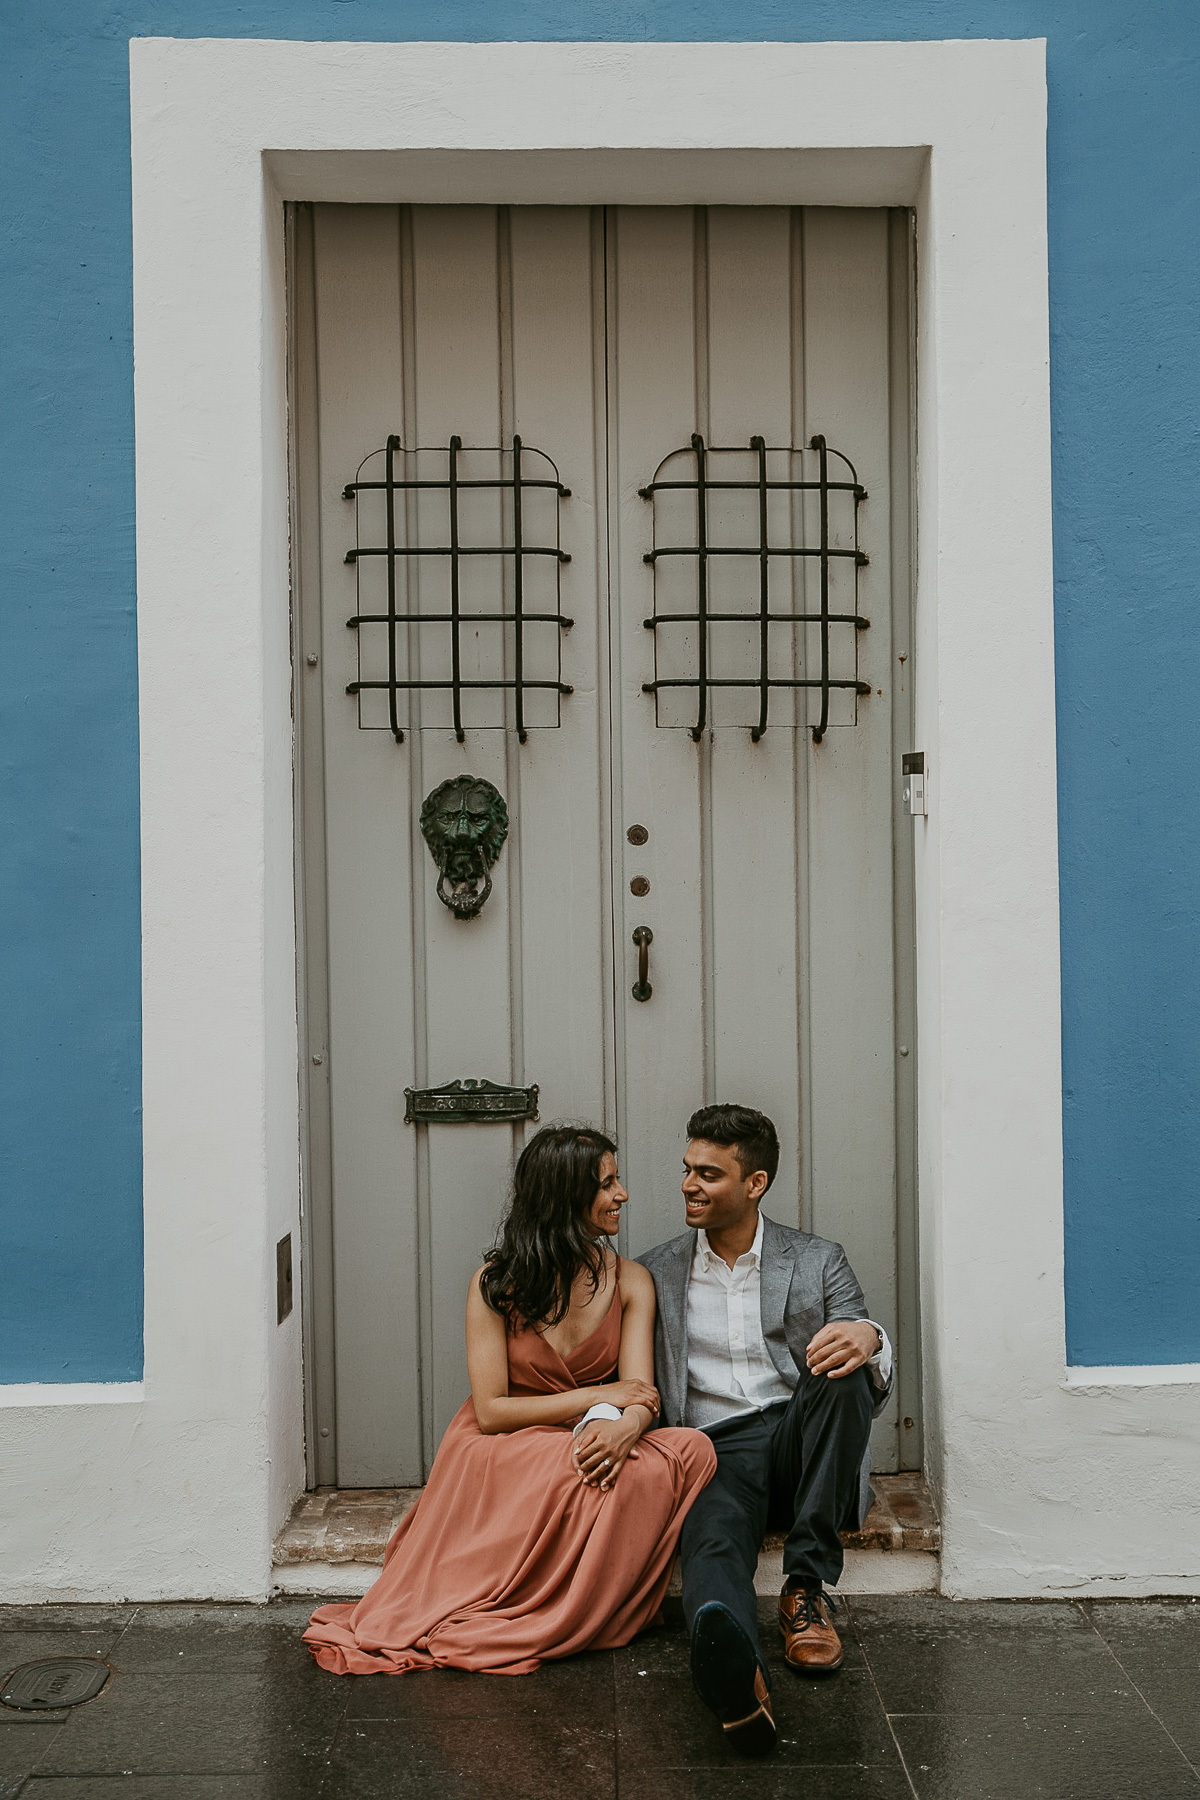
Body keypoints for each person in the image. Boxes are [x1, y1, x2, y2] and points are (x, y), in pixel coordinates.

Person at [304, 1124, 716, 1677]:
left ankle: (574, 1606)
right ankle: (543, 1614)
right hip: (503, 1444)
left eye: (617, 1181)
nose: (623, 1195)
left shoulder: (631, 1280)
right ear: (564, 1196)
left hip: (587, 1434)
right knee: (583, 1470)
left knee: (692, 1450)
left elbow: (640, 1393)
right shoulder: (494, 1285)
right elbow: (494, 1409)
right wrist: (600, 1395)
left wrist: (627, 1426)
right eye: (607, 1184)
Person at [639, 1104, 894, 1756]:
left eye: (709, 1174)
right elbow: (630, 1375)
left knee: (840, 1370)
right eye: (687, 1170)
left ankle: (805, 1590)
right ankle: (735, 1670)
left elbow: (859, 1342)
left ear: (755, 1184)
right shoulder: (654, 1271)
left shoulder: (816, 1259)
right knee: (711, 1540)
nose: (689, 1185)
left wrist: (870, 1338)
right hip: (713, 1450)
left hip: (800, 1442)